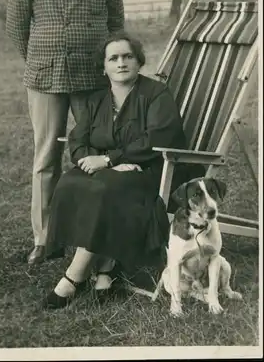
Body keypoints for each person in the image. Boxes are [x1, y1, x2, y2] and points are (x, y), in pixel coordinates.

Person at [43, 32, 205, 310]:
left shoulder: (156, 94)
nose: (121, 63)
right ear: (103, 66)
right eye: (113, 58)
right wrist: (88, 160)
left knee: (107, 188)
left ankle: (74, 276)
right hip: (117, 171)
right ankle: (106, 269)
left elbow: (159, 138)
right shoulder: (96, 100)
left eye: (128, 56)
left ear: (139, 61)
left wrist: (108, 159)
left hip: (158, 171)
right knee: (71, 182)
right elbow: (78, 140)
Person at [5, 0, 125, 265]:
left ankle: (88, 235)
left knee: (92, 154)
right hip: (45, 76)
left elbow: (115, 23)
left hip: (91, 77)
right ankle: (45, 238)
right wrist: (42, 58)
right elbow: (16, 28)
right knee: (46, 157)